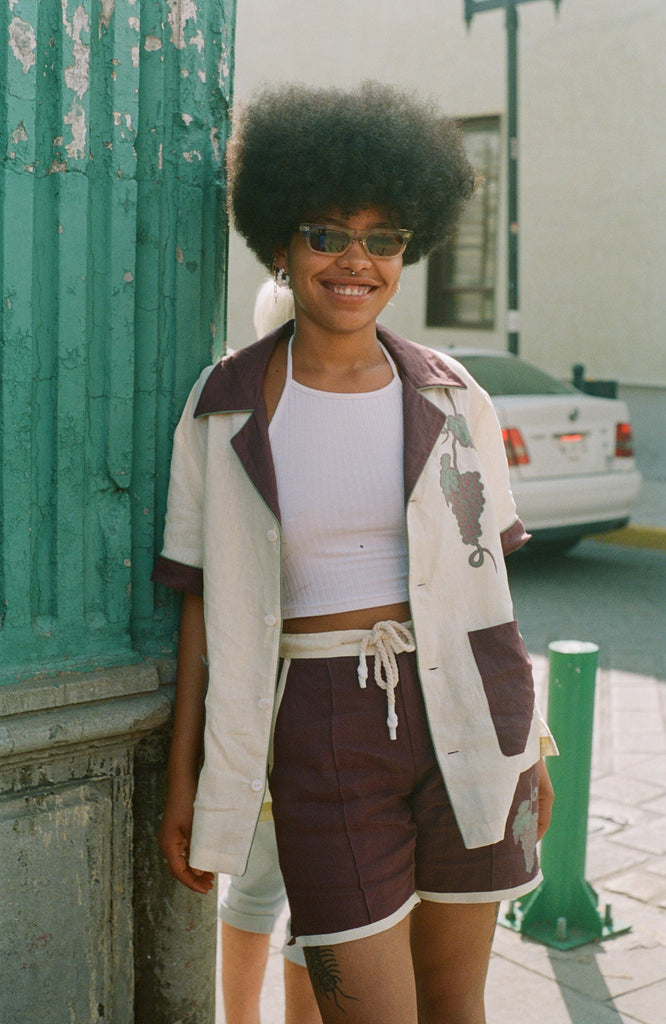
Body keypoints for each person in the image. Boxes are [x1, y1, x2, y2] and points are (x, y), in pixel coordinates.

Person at [155, 81, 556, 1024]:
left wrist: (528, 737)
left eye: (382, 239)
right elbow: (200, 609)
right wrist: (186, 782)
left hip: (469, 706)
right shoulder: (224, 407)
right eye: (327, 233)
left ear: (406, 252)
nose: (355, 261)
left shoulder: (453, 396)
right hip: (324, 728)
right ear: (281, 245)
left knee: (457, 1008)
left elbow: (489, 584)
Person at [219, 280, 321, 1024]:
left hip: (257, 693)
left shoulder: (232, 404)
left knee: (259, 888)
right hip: (307, 697)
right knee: (327, 894)